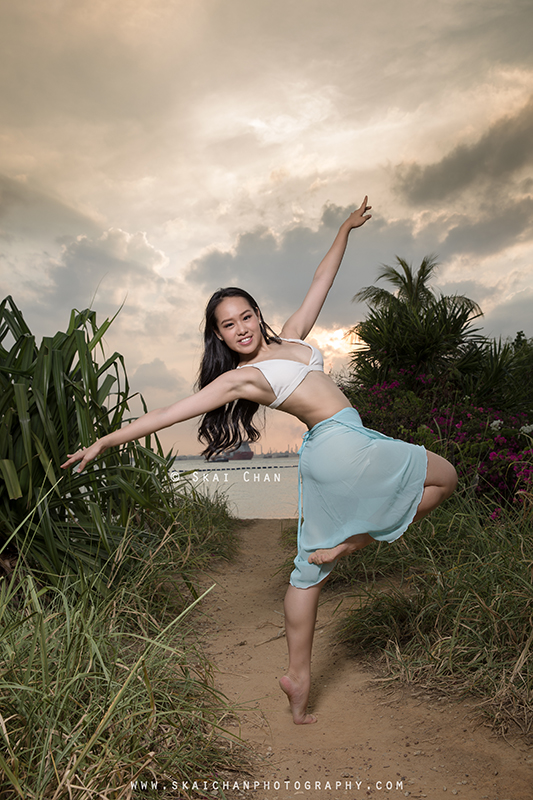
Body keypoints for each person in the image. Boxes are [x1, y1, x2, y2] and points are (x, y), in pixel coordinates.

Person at [62, 196, 457, 725]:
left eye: (246, 315)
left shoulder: (291, 338)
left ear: (258, 314)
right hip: (340, 442)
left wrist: (345, 228)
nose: (241, 328)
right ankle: (354, 543)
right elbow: (168, 413)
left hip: (329, 450)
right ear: (219, 336)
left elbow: (321, 280)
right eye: (228, 325)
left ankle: (298, 678)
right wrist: (106, 441)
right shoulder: (239, 378)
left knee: (306, 574)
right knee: (445, 478)